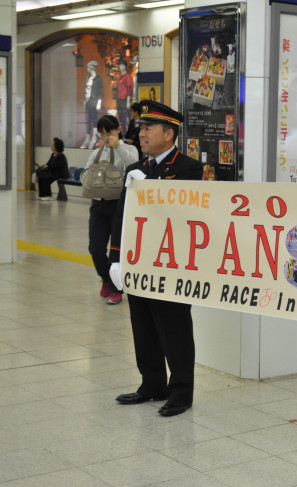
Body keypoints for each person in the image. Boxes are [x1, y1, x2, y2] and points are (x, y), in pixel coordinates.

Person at [109, 100, 203, 417]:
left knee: (173, 327)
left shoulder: (188, 168)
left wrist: (154, 188)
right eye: (142, 127)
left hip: (171, 264)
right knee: (143, 325)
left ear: (169, 133)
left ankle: (181, 392)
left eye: (149, 128)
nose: (142, 133)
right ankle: (152, 384)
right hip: (139, 261)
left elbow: (183, 213)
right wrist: (116, 258)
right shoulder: (137, 169)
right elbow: (121, 216)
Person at [85, 115, 138, 305]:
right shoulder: (98, 153)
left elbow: (133, 163)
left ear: (118, 130)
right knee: (95, 248)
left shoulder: (129, 149)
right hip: (98, 205)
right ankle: (106, 279)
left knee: (116, 250)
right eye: (102, 133)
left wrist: (119, 146)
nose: (106, 136)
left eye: (109, 132)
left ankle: (117, 288)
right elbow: (87, 171)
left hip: (118, 205)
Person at [81, 60, 103, 149]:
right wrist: (84, 101)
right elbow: (85, 90)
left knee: (94, 120)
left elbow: (101, 92)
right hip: (87, 102)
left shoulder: (98, 79)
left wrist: (99, 102)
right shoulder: (87, 78)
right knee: (87, 120)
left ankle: (94, 138)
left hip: (94, 102)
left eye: (88, 67)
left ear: (91, 68)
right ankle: (87, 139)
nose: (87, 69)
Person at [115, 60, 133, 130]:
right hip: (119, 100)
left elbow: (129, 89)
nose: (121, 66)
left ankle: (131, 133)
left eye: (123, 65)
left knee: (127, 118)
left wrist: (128, 101)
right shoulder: (120, 77)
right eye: (120, 65)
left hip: (124, 100)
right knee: (121, 118)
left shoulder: (127, 76)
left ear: (125, 66)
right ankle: (124, 134)